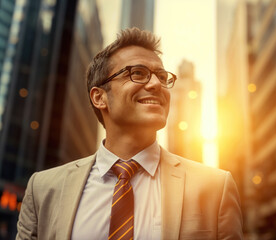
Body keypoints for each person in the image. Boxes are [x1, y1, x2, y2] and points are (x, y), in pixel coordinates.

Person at [16, 27, 243, 240]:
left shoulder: (215, 188)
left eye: (162, 77)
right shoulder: (43, 189)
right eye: (137, 73)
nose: (156, 84)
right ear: (99, 97)